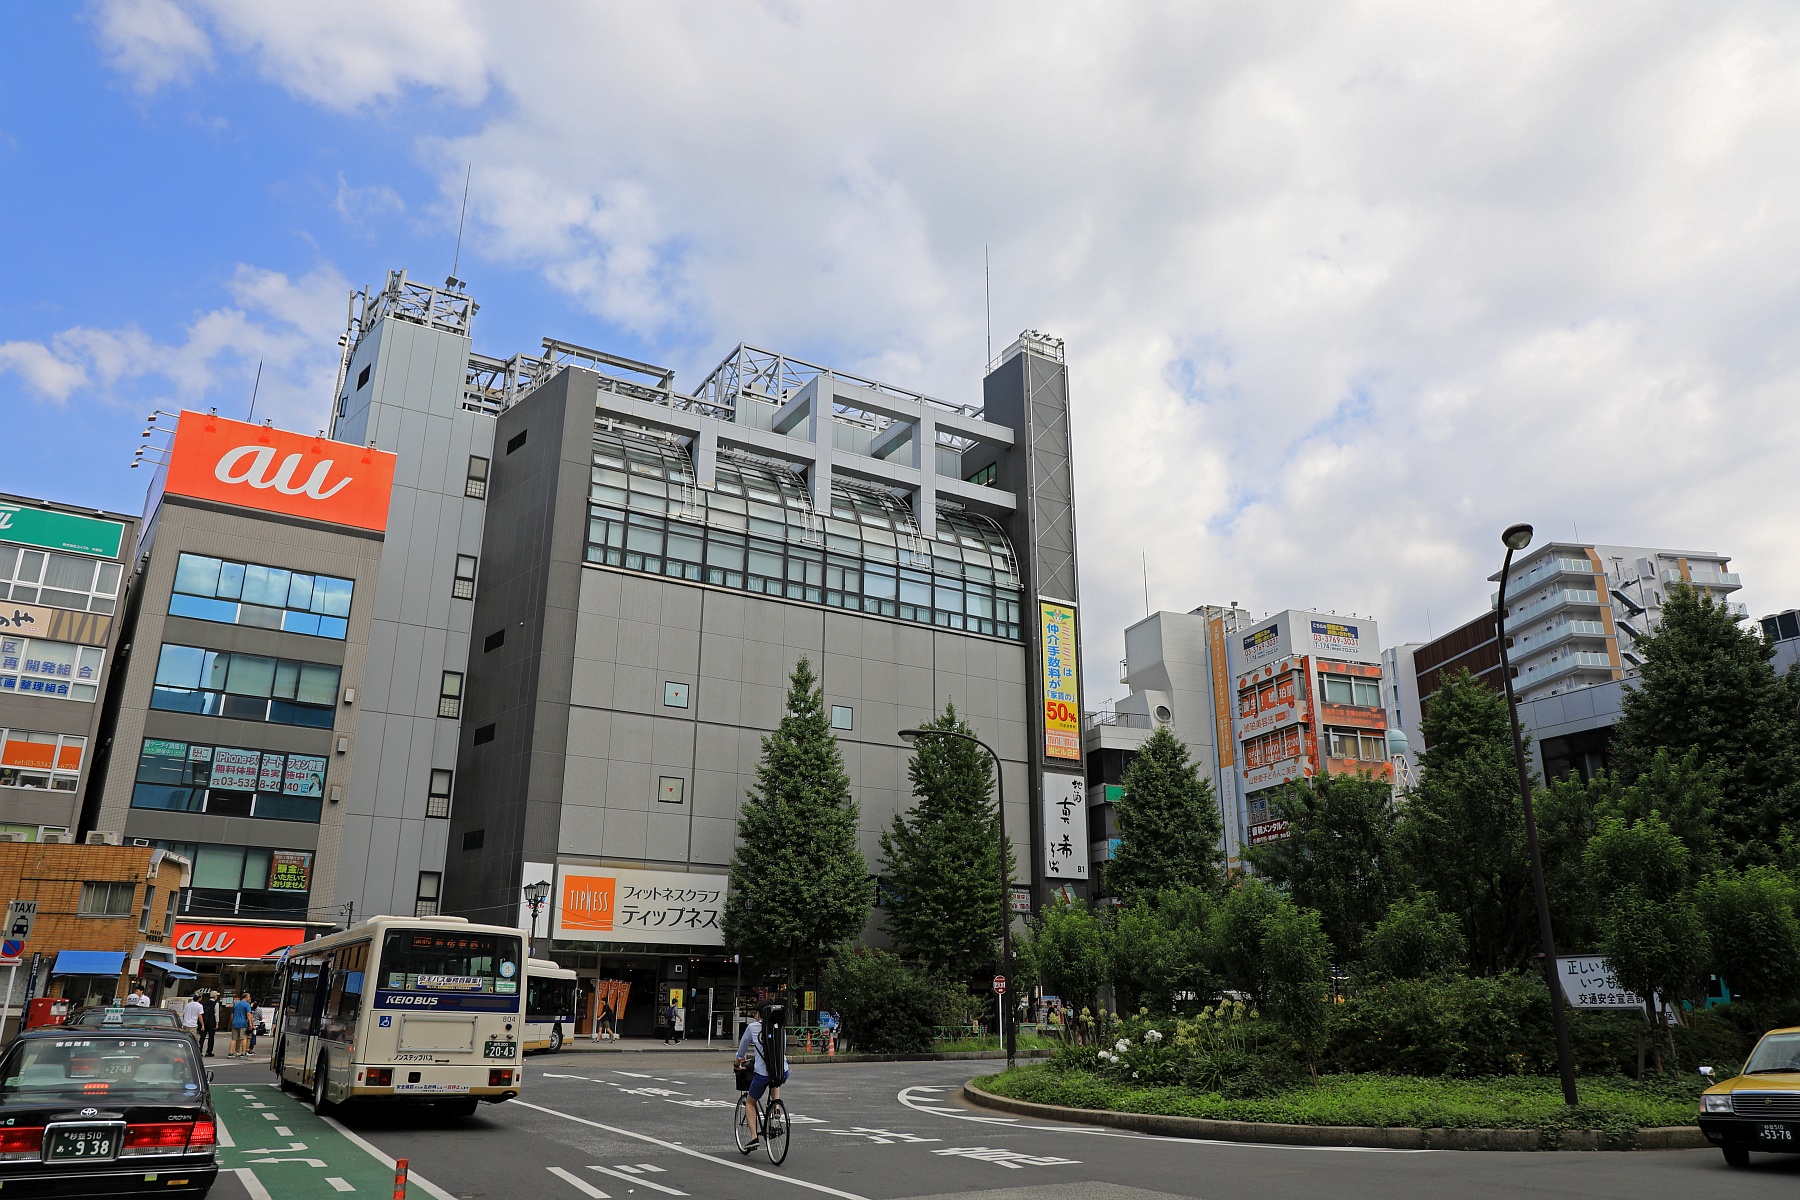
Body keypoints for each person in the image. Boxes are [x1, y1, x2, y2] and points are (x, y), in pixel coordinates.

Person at [735, 1004, 788, 1150]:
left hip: (762, 1074)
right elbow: (782, 1050)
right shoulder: (780, 1027)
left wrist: (737, 1065)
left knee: (750, 1102)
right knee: (775, 1080)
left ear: (759, 1014)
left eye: (755, 1014)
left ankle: (754, 1137)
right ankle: (776, 1108)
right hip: (782, 1071)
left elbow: (741, 1050)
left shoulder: (753, 1028)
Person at [229, 991, 253, 1057]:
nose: (250, 998)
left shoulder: (236, 1004)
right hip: (243, 1023)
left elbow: (232, 1014)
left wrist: (232, 1022)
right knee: (244, 1038)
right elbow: (248, 1014)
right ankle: (243, 1052)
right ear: (246, 997)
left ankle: (230, 1053)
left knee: (234, 1039)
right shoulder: (247, 1004)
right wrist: (250, 1023)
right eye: (249, 997)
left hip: (235, 1023)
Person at [200, 991, 219, 1057]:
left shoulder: (204, 1003)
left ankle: (200, 1050)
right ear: (215, 996)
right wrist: (217, 1022)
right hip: (212, 1021)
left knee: (202, 1037)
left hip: (204, 1021)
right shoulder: (216, 1003)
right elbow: (216, 1013)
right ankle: (209, 1052)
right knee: (211, 1037)